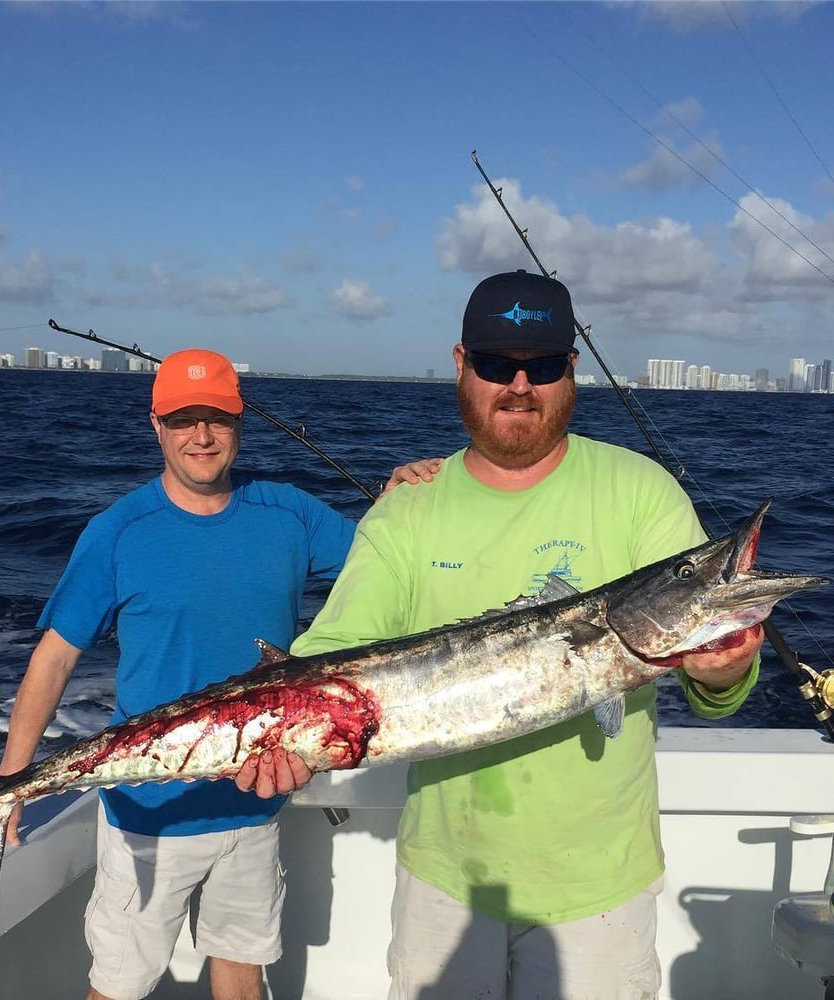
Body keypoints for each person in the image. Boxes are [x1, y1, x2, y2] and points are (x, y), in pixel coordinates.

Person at [286, 270, 762, 1000]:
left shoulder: (641, 491)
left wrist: (721, 675)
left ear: (570, 370)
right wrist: (282, 738)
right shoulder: (405, 510)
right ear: (459, 364)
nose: (517, 385)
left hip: (602, 885)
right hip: (443, 879)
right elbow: (326, 660)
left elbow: (710, 687)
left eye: (540, 367)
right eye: (494, 364)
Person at [0, 348, 366, 1000]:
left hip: (255, 799)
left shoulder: (291, 513)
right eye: (182, 420)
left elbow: (386, 563)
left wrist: (411, 493)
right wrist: (9, 786)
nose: (201, 436)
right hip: (147, 813)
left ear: (240, 423)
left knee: (241, 974)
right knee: (118, 986)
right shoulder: (118, 531)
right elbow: (54, 659)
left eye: (217, 419)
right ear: (156, 426)